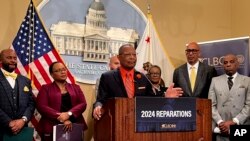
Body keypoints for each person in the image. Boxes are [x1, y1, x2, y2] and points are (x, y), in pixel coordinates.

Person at [93, 44, 183, 120]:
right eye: (128, 54)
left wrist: (165, 96)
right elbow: (100, 100)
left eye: (134, 54)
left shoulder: (142, 77)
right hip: (116, 121)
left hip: (138, 122)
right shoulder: (108, 77)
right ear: (119, 57)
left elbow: (152, 99)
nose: (132, 57)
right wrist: (98, 107)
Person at [36, 61, 88, 141]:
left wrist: (69, 114)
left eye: (64, 69)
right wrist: (61, 117)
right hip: (51, 126)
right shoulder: (45, 88)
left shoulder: (76, 87)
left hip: (74, 126)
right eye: (58, 70)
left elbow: (83, 104)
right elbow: (42, 106)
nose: (62, 72)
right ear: (52, 74)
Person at [208, 54, 250, 141]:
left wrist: (234, 121)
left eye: (231, 62)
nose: (228, 64)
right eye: (225, 62)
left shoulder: (247, 81)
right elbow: (211, 104)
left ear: (237, 64)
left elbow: (249, 105)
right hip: (221, 129)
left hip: (240, 127)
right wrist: (220, 123)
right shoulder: (215, 81)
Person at [0, 49, 35, 139]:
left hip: (22, 130)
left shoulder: (25, 80)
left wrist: (23, 120)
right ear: (1, 60)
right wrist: (8, 122)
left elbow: (31, 104)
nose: (13, 60)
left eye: (15, 58)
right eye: (9, 58)